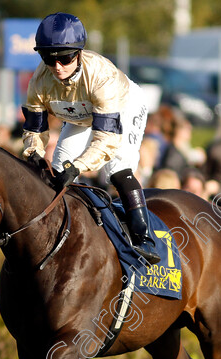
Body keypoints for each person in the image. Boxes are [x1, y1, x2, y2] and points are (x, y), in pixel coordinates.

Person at [21, 12, 160, 263]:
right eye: (47, 59)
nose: (57, 67)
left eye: (64, 57)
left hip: (122, 107)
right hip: (80, 114)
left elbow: (106, 138)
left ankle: (144, 238)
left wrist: (80, 166)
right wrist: (33, 156)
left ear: (79, 53)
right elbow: (34, 132)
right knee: (55, 170)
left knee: (116, 169)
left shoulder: (101, 76)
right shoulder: (39, 81)